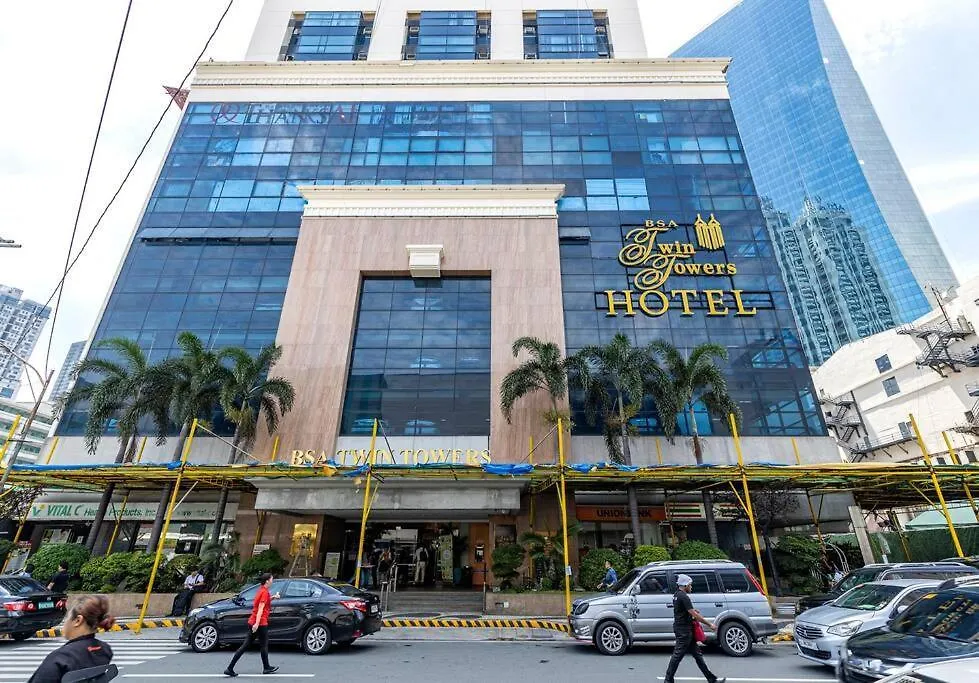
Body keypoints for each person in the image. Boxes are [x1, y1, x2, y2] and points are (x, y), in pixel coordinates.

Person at [28, 595, 115, 683]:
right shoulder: (104, 649)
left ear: (78, 620)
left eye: (68, 617)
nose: (65, 622)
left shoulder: (61, 657)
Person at [664, 575, 726, 683]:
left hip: (684, 628)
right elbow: (694, 615)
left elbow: (683, 610)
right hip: (684, 631)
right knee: (677, 656)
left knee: (697, 655)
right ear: (685, 585)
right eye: (690, 585)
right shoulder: (684, 597)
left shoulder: (676, 595)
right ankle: (668, 680)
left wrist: (692, 611)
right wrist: (709, 624)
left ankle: (711, 679)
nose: (691, 587)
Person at [224, 574, 279, 677]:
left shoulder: (261, 590)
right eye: (272, 579)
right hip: (260, 623)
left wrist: (273, 597)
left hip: (253, 621)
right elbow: (260, 609)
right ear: (267, 581)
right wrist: (257, 624)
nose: (273, 581)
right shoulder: (264, 592)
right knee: (263, 645)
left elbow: (262, 603)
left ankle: (230, 668)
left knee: (245, 646)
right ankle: (266, 667)